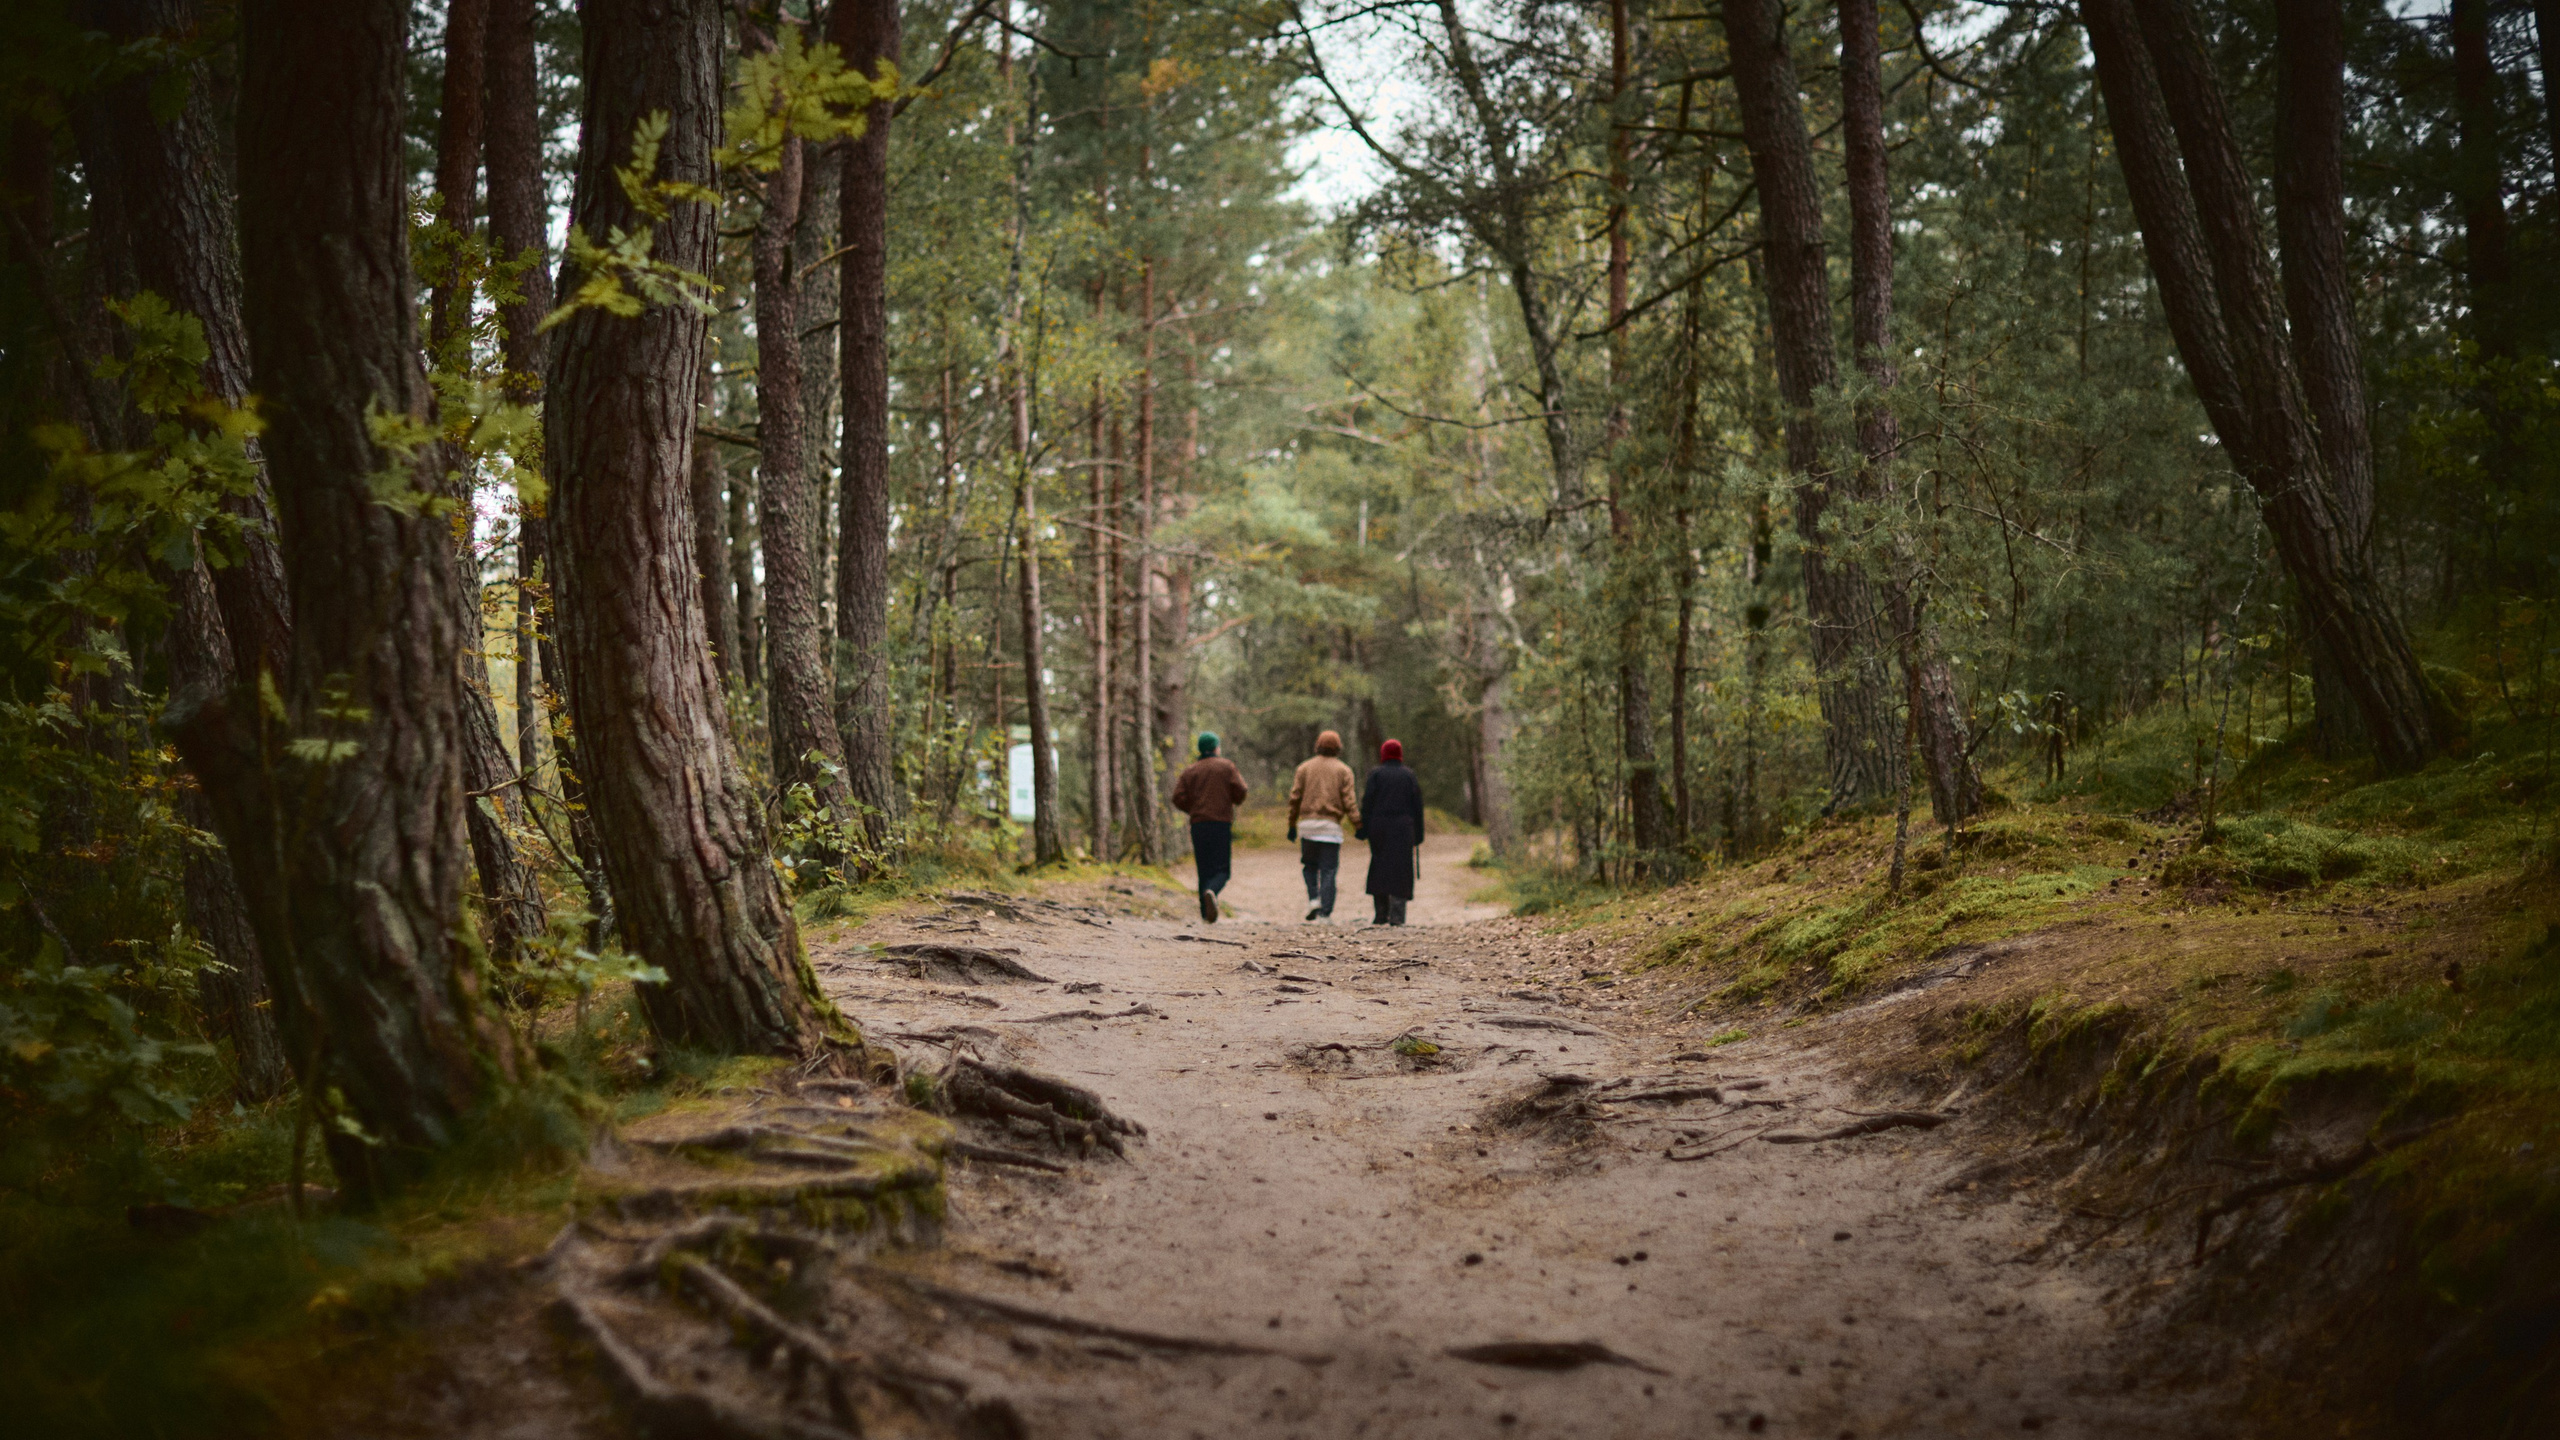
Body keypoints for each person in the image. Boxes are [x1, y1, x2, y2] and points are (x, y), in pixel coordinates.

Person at [1169, 731, 1247, 923]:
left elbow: (1177, 797)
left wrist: (1193, 809)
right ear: (1215, 748)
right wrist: (1232, 801)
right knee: (1222, 869)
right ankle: (1212, 891)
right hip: (1221, 823)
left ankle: (1206, 914)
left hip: (1199, 825)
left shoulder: (1190, 770)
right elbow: (1241, 790)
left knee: (1203, 868)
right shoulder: (1226, 767)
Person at [1285, 730, 1361, 922]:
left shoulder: (1304, 768)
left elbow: (1294, 799)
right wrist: (1358, 824)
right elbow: (1349, 801)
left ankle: (1313, 899)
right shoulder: (1344, 771)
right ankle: (1325, 913)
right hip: (1330, 828)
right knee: (1328, 870)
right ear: (1338, 747)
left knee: (1309, 867)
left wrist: (1292, 824)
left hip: (1307, 827)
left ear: (1317, 745)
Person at [1357, 738, 1424, 926]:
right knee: (1401, 869)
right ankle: (1397, 915)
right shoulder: (1409, 775)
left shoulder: (1375, 775)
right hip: (1403, 828)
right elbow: (1417, 807)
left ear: (1383, 754)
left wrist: (1363, 828)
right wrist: (1418, 834)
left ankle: (1380, 913)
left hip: (1379, 827)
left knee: (1379, 866)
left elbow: (1367, 803)